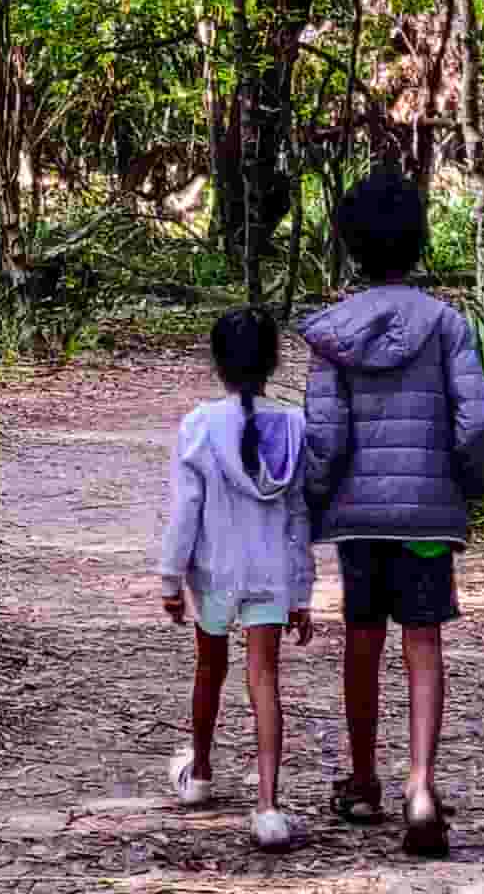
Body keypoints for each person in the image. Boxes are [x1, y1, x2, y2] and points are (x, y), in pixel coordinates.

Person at [297, 169, 484, 859]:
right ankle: (421, 785)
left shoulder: (334, 334)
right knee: (423, 637)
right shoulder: (447, 326)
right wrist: (464, 487)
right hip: (426, 521)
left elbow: (324, 437)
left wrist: (316, 499)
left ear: (352, 245)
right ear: (418, 240)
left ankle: (361, 781)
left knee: (362, 635)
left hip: (359, 520)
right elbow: (478, 423)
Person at [155, 305, 316, 850]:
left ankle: (200, 774)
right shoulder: (294, 427)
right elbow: (299, 517)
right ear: (273, 362)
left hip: (215, 573)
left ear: (218, 363)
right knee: (264, 678)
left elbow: (186, 512)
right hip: (271, 573)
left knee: (210, 668)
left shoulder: (200, 426)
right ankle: (268, 808)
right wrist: (301, 591)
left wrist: (171, 580)